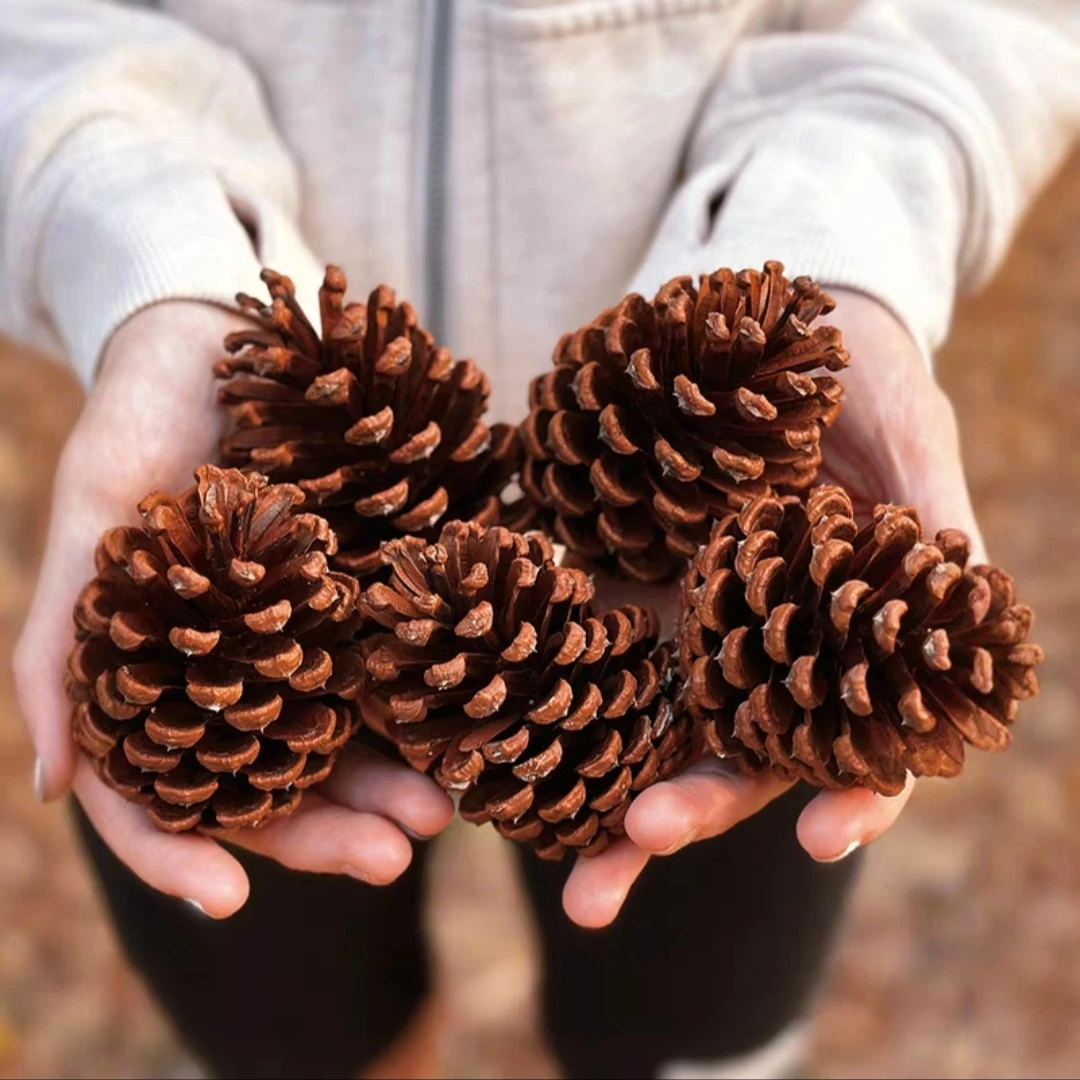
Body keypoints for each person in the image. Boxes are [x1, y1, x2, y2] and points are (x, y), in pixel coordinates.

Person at [3, 1, 1077, 1076]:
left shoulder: (775, 614)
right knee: (299, 1043)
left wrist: (846, 245)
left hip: (719, 588)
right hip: (257, 492)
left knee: (680, 1034)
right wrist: (152, 255)